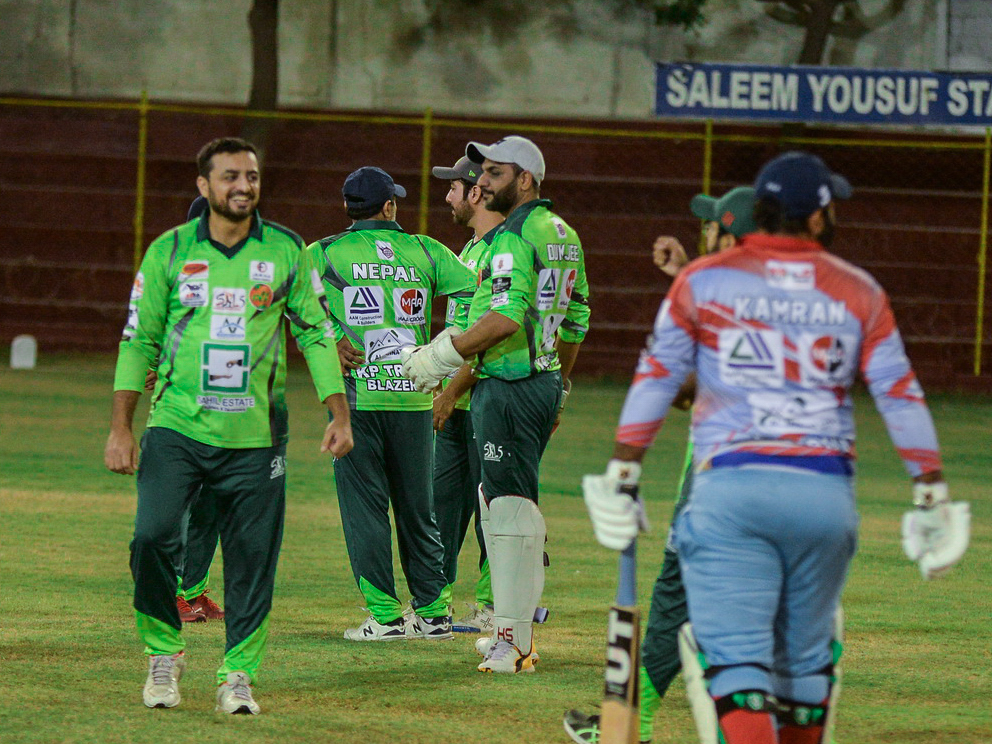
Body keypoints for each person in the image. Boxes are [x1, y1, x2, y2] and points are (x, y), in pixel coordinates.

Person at [582, 151, 967, 744]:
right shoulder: (859, 288)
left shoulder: (703, 280)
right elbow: (899, 393)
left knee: (737, 666)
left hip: (731, 491)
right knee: (804, 673)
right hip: (824, 497)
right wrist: (931, 492)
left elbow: (656, 377)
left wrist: (622, 472)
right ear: (815, 218)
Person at [104, 137, 353, 715]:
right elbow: (138, 340)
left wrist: (338, 413)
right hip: (176, 427)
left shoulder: (288, 250)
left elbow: (317, 333)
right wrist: (121, 427)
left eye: (252, 176)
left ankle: (238, 674)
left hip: (257, 438)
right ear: (204, 185)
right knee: (151, 537)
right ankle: (163, 653)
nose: (243, 186)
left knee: (251, 557)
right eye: (230, 176)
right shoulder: (168, 251)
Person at [564, 186, 758, 744]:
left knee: (683, 603)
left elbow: (686, 386)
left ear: (730, 237)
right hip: (788, 480)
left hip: (718, 479)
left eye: (711, 227)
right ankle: (630, 722)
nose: (704, 232)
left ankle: (628, 725)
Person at [401, 135, 591, 673]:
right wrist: (559, 386)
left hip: (507, 387)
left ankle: (513, 641)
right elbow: (576, 319)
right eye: (482, 173)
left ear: (524, 180)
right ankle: (513, 630)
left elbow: (504, 319)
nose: (482, 182)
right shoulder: (562, 233)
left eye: (494, 173)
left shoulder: (510, 238)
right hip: (540, 382)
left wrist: (440, 357)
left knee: (507, 514)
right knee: (512, 509)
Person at [311, 166, 477, 642]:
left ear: (348, 208)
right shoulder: (425, 249)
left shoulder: (324, 252)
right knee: (418, 509)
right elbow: (477, 290)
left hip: (357, 400)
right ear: (389, 206)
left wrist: (331, 336)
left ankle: (385, 618)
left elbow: (283, 296)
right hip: (414, 397)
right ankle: (434, 614)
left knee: (365, 509)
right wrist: (447, 346)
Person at [429, 156, 504, 633]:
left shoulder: (501, 251)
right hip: (456, 401)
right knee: (442, 504)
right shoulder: (472, 249)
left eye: (453, 188)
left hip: (485, 400)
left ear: (475, 193)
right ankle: (434, 603)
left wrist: (451, 390)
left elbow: (490, 335)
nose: (447, 197)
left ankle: (494, 607)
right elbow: (460, 328)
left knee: (491, 510)